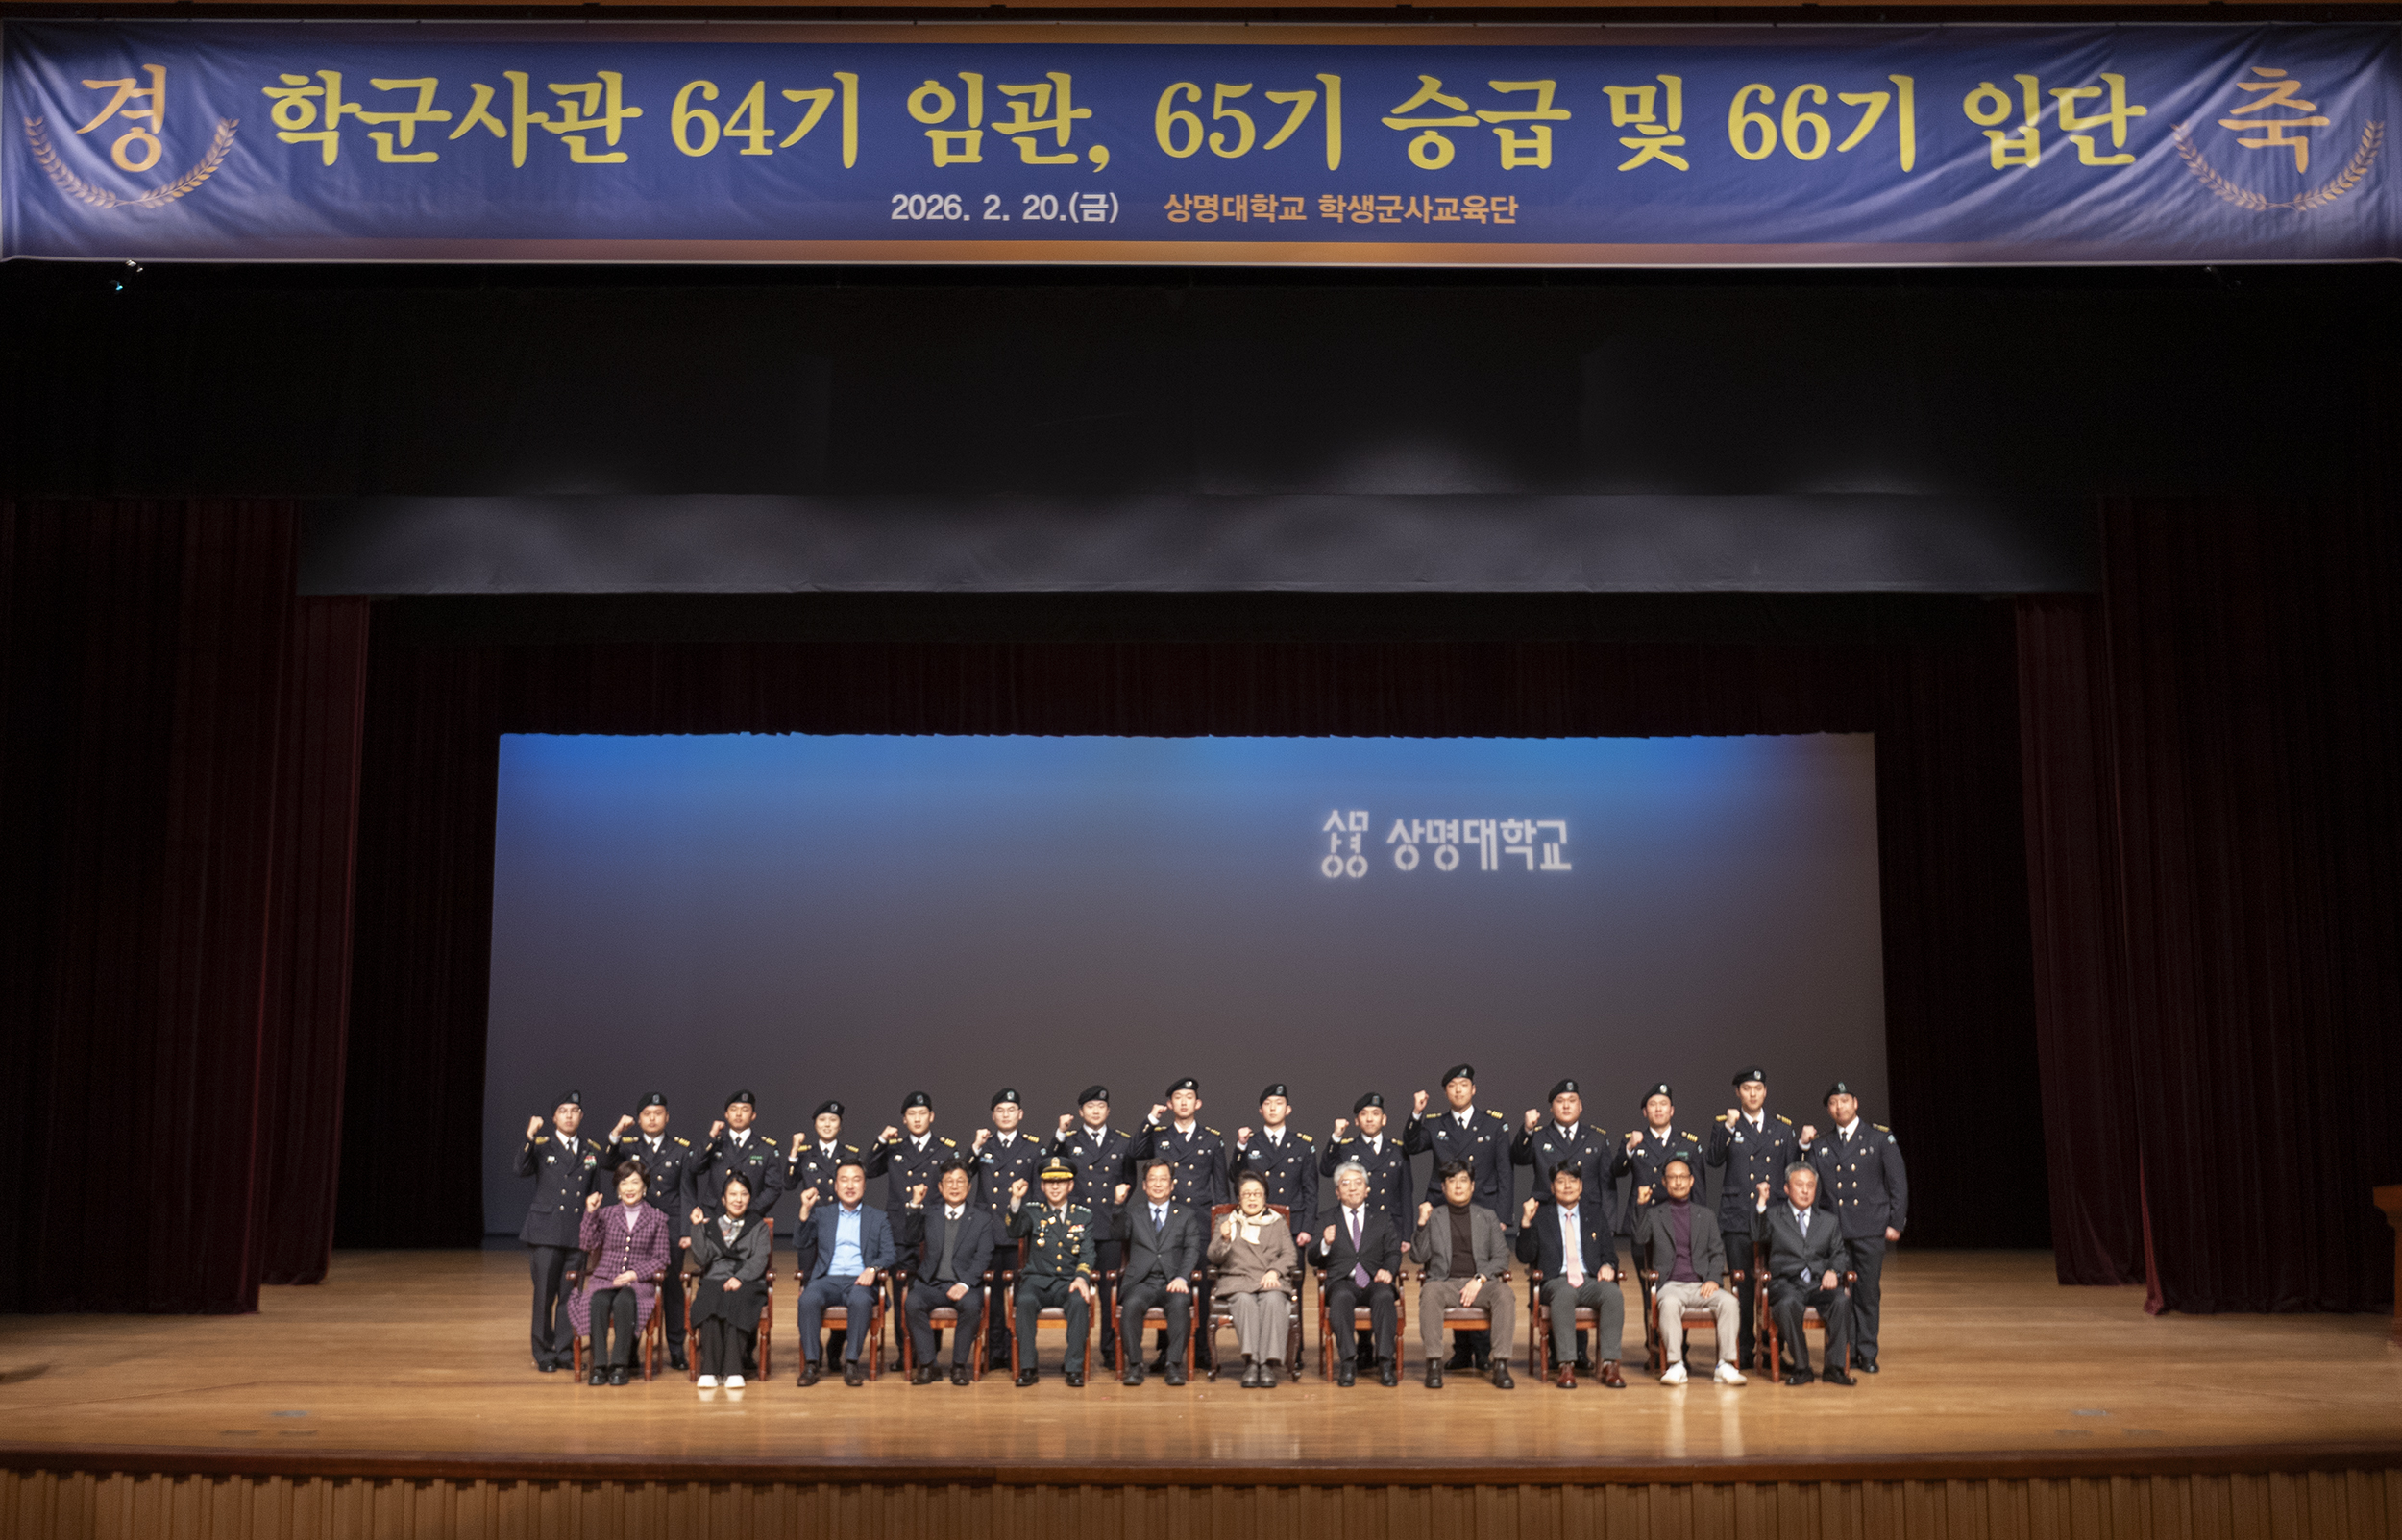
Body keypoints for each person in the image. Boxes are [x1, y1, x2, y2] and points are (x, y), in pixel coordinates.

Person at [1406, 1066, 1511, 1370]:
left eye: (1464, 1084)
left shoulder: (1493, 1124)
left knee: (1480, 1271)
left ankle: (1482, 1352)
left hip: (1483, 1207)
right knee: (1448, 1271)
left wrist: (1503, 1214)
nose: (1458, 1090)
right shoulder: (1434, 1123)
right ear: (1446, 1092)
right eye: (1452, 1085)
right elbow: (1412, 1146)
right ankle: (1462, 1352)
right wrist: (1417, 1113)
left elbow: (1504, 1171)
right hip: (1444, 1207)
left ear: (1473, 1089)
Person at [1800, 1080, 1907, 1373]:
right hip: (1835, 1233)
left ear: (1855, 1103)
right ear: (1829, 1109)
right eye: (1833, 1103)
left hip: (1870, 1228)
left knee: (1867, 1294)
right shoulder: (1821, 1145)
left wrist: (1895, 1222)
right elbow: (1804, 1180)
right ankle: (1846, 1351)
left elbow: (1897, 1183)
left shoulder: (1879, 1138)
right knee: (1840, 1296)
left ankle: (1867, 1352)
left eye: (1844, 1101)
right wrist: (1804, 1146)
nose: (1839, 1107)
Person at [1509, 1078, 1614, 1368]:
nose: (1566, 1106)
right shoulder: (1539, 1136)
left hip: (1587, 1219)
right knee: (1558, 1278)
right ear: (1551, 1108)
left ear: (1581, 1106)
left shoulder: (1596, 1139)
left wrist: (1608, 1224)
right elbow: (1518, 1156)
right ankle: (1560, 1352)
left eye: (1571, 1101)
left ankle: (1580, 1354)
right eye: (1560, 1101)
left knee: (1584, 1274)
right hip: (1548, 1219)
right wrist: (1526, 1129)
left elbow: (1606, 1184)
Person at [1704, 1066, 1798, 1370]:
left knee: (1777, 1283)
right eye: (1747, 1089)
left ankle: (1774, 1348)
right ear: (1738, 1093)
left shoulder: (1782, 1129)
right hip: (1738, 1217)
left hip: (1775, 1217)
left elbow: (1793, 1172)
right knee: (1742, 1286)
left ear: (1765, 1092)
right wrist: (1728, 1128)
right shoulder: (1726, 1125)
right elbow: (1713, 1159)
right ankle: (1744, 1349)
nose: (1753, 1094)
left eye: (1758, 1088)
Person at [1133, 1078, 1228, 1371]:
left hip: (1200, 1222)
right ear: (1170, 1103)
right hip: (1166, 1223)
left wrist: (1221, 1226)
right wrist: (1151, 1119)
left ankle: (1201, 1349)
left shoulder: (1212, 1139)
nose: (1184, 1102)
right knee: (1167, 1282)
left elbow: (1221, 1188)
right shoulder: (1159, 1136)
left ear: (1198, 1103)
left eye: (1189, 1097)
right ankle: (1166, 1351)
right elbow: (1135, 1151)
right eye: (1178, 1097)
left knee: (1201, 1287)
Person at [1630, 1152, 1744, 1386]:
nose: (1678, 1182)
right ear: (1664, 1182)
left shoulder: (1706, 1215)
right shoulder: (1654, 1214)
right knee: (1669, 1304)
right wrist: (1641, 1205)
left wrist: (1712, 1279)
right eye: (1672, 1177)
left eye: (1683, 1177)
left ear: (1692, 1181)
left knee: (1730, 1303)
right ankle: (1676, 1365)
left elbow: (1717, 1253)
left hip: (1701, 1284)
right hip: (1671, 1284)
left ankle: (1725, 1364)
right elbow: (1640, 1238)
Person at [605, 1091, 699, 1372]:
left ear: (667, 1117)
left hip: (670, 1227)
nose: (653, 1119)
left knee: (672, 1289)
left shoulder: (681, 1149)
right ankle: (630, 1348)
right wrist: (616, 1133)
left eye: (658, 1114)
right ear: (639, 1119)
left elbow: (687, 1192)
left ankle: (676, 1349)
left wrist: (686, 1231)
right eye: (647, 1114)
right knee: (635, 1287)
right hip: (636, 1228)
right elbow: (606, 1162)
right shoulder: (628, 1147)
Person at [516, 1091, 607, 1373]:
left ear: (581, 1116)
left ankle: (565, 1351)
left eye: (574, 1111)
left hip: (576, 1232)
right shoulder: (542, 1146)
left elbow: (594, 1190)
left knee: (571, 1296)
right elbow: (520, 1169)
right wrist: (529, 1137)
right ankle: (544, 1352)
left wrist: (594, 1217)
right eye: (563, 1111)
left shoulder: (591, 1150)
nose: (569, 1116)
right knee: (544, 1295)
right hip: (546, 1232)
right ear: (554, 1117)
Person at [1514, 1164, 1627, 1389]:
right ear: (1552, 1187)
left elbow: (1609, 1253)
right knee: (1564, 1293)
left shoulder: (1594, 1214)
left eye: (1573, 1181)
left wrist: (1608, 1265)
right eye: (1561, 1181)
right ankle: (1566, 1365)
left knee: (1613, 1293)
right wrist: (1526, 1222)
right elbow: (1525, 1255)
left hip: (1590, 1279)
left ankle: (1610, 1364)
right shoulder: (1541, 1215)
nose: (1567, 1186)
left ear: (1581, 1186)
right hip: (1555, 1280)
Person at [1048, 1087, 1135, 1370]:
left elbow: (1129, 1181)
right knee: (1076, 1290)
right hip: (1078, 1226)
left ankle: (1109, 1350)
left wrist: (1119, 1204)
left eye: (1101, 1106)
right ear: (1080, 1111)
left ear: (1108, 1111)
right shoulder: (1069, 1141)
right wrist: (1060, 1133)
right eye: (1090, 1106)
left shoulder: (1122, 1142)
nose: (1095, 1111)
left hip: (1109, 1227)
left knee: (1110, 1292)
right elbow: (1048, 1164)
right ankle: (1076, 1350)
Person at [1411, 1161, 1517, 1389]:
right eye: (1452, 1181)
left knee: (1504, 1294)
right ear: (1443, 1187)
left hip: (1480, 1284)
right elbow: (1419, 1256)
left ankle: (1500, 1364)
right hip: (1445, 1284)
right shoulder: (1434, 1216)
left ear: (1472, 1186)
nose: (1458, 1186)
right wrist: (1421, 1223)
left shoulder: (1487, 1216)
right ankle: (1433, 1363)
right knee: (1429, 1292)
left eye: (1463, 1181)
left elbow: (1501, 1256)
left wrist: (1479, 1279)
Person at [896, 1157, 1003, 1385]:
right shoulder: (930, 1214)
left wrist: (964, 1284)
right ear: (940, 1186)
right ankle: (928, 1365)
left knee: (972, 1307)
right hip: (931, 1284)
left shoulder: (982, 1219)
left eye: (960, 1181)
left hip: (964, 1285)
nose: (955, 1187)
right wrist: (915, 1205)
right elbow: (911, 1238)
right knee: (912, 1303)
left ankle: (958, 1366)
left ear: (969, 1186)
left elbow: (984, 1256)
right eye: (949, 1181)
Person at [1611, 1083, 1704, 1332]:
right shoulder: (1634, 1141)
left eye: (1663, 1104)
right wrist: (1629, 1148)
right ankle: (1653, 1342)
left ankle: (1680, 1344)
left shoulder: (1687, 1144)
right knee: (1649, 1287)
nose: (1659, 1109)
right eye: (1652, 1105)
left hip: (1679, 1225)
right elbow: (1616, 1171)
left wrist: (1700, 1229)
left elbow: (1699, 1193)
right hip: (1644, 1223)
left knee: (1681, 1283)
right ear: (1645, 1112)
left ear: (1672, 1110)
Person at [876, 1092, 960, 1369]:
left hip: (933, 1232)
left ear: (931, 1117)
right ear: (904, 1119)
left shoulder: (945, 1149)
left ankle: (930, 1352)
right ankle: (904, 1352)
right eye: (911, 1114)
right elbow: (869, 1169)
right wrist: (881, 1140)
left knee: (932, 1291)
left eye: (922, 1113)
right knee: (902, 1292)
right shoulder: (894, 1148)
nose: (917, 1118)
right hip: (901, 1232)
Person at [793, 1159, 895, 1387]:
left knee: (860, 1300)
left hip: (859, 1281)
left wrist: (873, 1269)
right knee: (808, 1299)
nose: (850, 1186)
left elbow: (889, 1254)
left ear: (864, 1185)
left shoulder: (878, 1217)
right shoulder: (823, 1214)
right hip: (827, 1279)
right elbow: (801, 1241)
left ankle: (851, 1363)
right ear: (836, 1186)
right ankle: (811, 1363)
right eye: (844, 1180)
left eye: (856, 1180)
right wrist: (805, 1210)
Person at [1752, 1161, 1854, 1385]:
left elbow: (1839, 1254)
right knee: (1787, 1304)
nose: (1805, 1190)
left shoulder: (1828, 1221)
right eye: (1799, 1185)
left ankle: (1834, 1368)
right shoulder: (1773, 1216)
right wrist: (1761, 1202)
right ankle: (1802, 1367)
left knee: (1841, 1300)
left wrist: (1833, 1271)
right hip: (1787, 1283)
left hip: (1818, 1284)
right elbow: (1757, 1235)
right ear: (1787, 1189)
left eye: (1810, 1185)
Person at [571, 1161, 670, 1386]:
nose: (629, 1188)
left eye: (635, 1182)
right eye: (624, 1183)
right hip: (606, 1278)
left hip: (638, 1283)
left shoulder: (657, 1218)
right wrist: (590, 1213)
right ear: (617, 1188)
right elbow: (587, 1244)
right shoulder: (605, 1214)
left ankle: (619, 1365)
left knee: (625, 1301)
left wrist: (635, 1274)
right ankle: (599, 1366)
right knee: (598, 1301)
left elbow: (661, 1259)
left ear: (644, 1187)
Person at [785, 1098, 864, 1363]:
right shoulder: (805, 1154)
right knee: (810, 1287)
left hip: (842, 1230)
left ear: (840, 1126)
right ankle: (813, 1348)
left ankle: (836, 1344)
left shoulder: (849, 1154)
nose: (827, 1124)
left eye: (833, 1120)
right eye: (822, 1120)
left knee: (843, 1283)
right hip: (813, 1230)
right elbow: (788, 1183)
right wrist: (793, 1151)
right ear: (815, 1124)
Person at [971, 1088, 1044, 1370]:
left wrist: (1033, 1231)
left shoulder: (1032, 1148)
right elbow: (962, 1173)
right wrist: (975, 1147)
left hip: (1018, 1234)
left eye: (1011, 1110)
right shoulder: (984, 1146)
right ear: (993, 1116)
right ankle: (995, 1351)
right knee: (991, 1297)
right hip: (988, 1233)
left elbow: (1036, 1196)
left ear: (1020, 1114)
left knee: (1020, 1297)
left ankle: (1019, 1350)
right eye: (1000, 1111)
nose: (1005, 1115)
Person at [1009, 1159, 1099, 1387]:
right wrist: (1016, 1200)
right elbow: (1014, 1230)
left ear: (1071, 1185)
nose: (1055, 1187)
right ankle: (1028, 1368)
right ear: (1042, 1186)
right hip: (1036, 1281)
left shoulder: (1083, 1216)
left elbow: (1088, 1252)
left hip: (1068, 1281)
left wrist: (1081, 1277)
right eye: (1050, 1182)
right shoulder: (1032, 1212)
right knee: (1024, 1301)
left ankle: (1074, 1368)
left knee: (1079, 1302)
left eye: (1061, 1181)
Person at [1312, 1161, 1402, 1387]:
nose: (1352, 1188)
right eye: (1345, 1184)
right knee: (1341, 1298)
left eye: (1358, 1183)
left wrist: (1388, 1270)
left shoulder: (1382, 1218)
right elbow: (1312, 1257)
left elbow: (1393, 1252)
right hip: (1342, 1281)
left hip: (1373, 1280)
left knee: (1384, 1296)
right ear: (1337, 1191)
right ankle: (1348, 1363)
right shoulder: (1326, 1218)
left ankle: (1385, 1362)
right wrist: (1325, 1243)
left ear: (1367, 1189)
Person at [1115, 1159, 1204, 1386]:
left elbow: (1192, 1249)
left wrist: (1182, 1277)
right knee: (1131, 1306)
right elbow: (1117, 1233)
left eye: (1163, 1179)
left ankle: (1173, 1365)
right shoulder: (1133, 1213)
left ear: (1172, 1185)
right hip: (1141, 1282)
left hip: (1172, 1281)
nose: (1157, 1184)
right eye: (1152, 1180)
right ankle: (1135, 1365)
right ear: (1144, 1186)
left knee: (1179, 1304)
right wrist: (1118, 1205)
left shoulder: (1185, 1214)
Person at [1210, 1171, 1299, 1388]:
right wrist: (1224, 1239)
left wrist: (1275, 1271)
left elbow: (1289, 1254)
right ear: (1238, 1198)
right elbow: (1213, 1257)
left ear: (1265, 1197)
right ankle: (1251, 1362)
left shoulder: (1277, 1222)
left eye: (1257, 1194)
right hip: (1238, 1280)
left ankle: (1267, 1363)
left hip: (1270, 1279)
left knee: (1274, 1300)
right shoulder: (1226, 1221)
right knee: (1244, 1301)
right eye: (1246, 1194)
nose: (1252, 1198)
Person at [682, 1170, 771, 1388]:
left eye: (743, 1194)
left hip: (748, 1281)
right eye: (733, 1194)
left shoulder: (758, 1226)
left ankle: (733, 1370)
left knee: (736, 1301)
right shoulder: (712, 1225)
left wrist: (740, 1278)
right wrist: (697, 1227)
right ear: (723, 1199)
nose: (738, 1199)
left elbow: (759, 1258)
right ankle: (710, 1370)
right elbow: (702, 1258)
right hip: (715, 1278)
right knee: (710, 1301)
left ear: (750, 1198)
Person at [1233, 1084, 1318, 1230]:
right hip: (1256, 1220)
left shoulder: (1302, 1145)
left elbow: (1311, 1192)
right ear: (1261, 1110)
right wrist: (1241, 1146)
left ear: (1288, 1109)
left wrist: (1307, 1229)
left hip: (1292, 1222)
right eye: (1267, 1104)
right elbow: (1235, 1177)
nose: (1273, 1108)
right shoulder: (1250, 1142)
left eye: (1278, 1103)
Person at [697, 1089, 784, 1227]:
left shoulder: (766, 1148)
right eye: (733, 1109)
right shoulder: (715, 1143)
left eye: (744, 1109)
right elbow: (694, 1167)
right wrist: (711, 1137)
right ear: (726, 1114)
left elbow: (774, 1188)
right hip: (715, 1214)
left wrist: (751, 1209)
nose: (738, 1114)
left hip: (750, 1219)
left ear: (753, 1115)